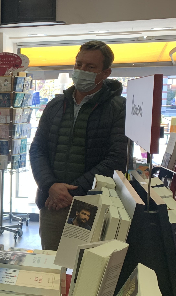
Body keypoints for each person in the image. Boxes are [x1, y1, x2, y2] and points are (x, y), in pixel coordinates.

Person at [29, 40, 128, 250]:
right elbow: (37, 149)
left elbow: (117, 158)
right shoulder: (55, 105)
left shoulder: (118, 108)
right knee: (52, 270)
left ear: (105, 72)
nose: (82, 71)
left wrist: (73, 191)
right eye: (79, 64)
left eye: (90, 67)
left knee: (89, 273)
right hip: (52, 203)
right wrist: (51, 186)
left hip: (93, 205)